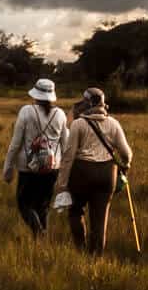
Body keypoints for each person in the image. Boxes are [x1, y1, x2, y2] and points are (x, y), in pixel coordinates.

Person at [55, 87, 134, 253]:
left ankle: (81, 248)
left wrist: (62, 184)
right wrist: (125, 166)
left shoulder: (78, 124)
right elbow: (126, 153)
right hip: (107, 175)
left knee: (76, 211)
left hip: (82, 173)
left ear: (86, 103)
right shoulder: (114, 123)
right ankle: (96, 258)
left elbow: (69, 155)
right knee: (100, 219)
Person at [1, 78, 66, 236]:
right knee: (43, 206)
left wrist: (8, 168)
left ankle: (38, 233)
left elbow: (16, 143)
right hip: (52, 167)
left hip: (28, 167)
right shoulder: (60, 114)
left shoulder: (26, 111)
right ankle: (41, 239)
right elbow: (66, 144)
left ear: (35, 95)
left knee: (24, 204)